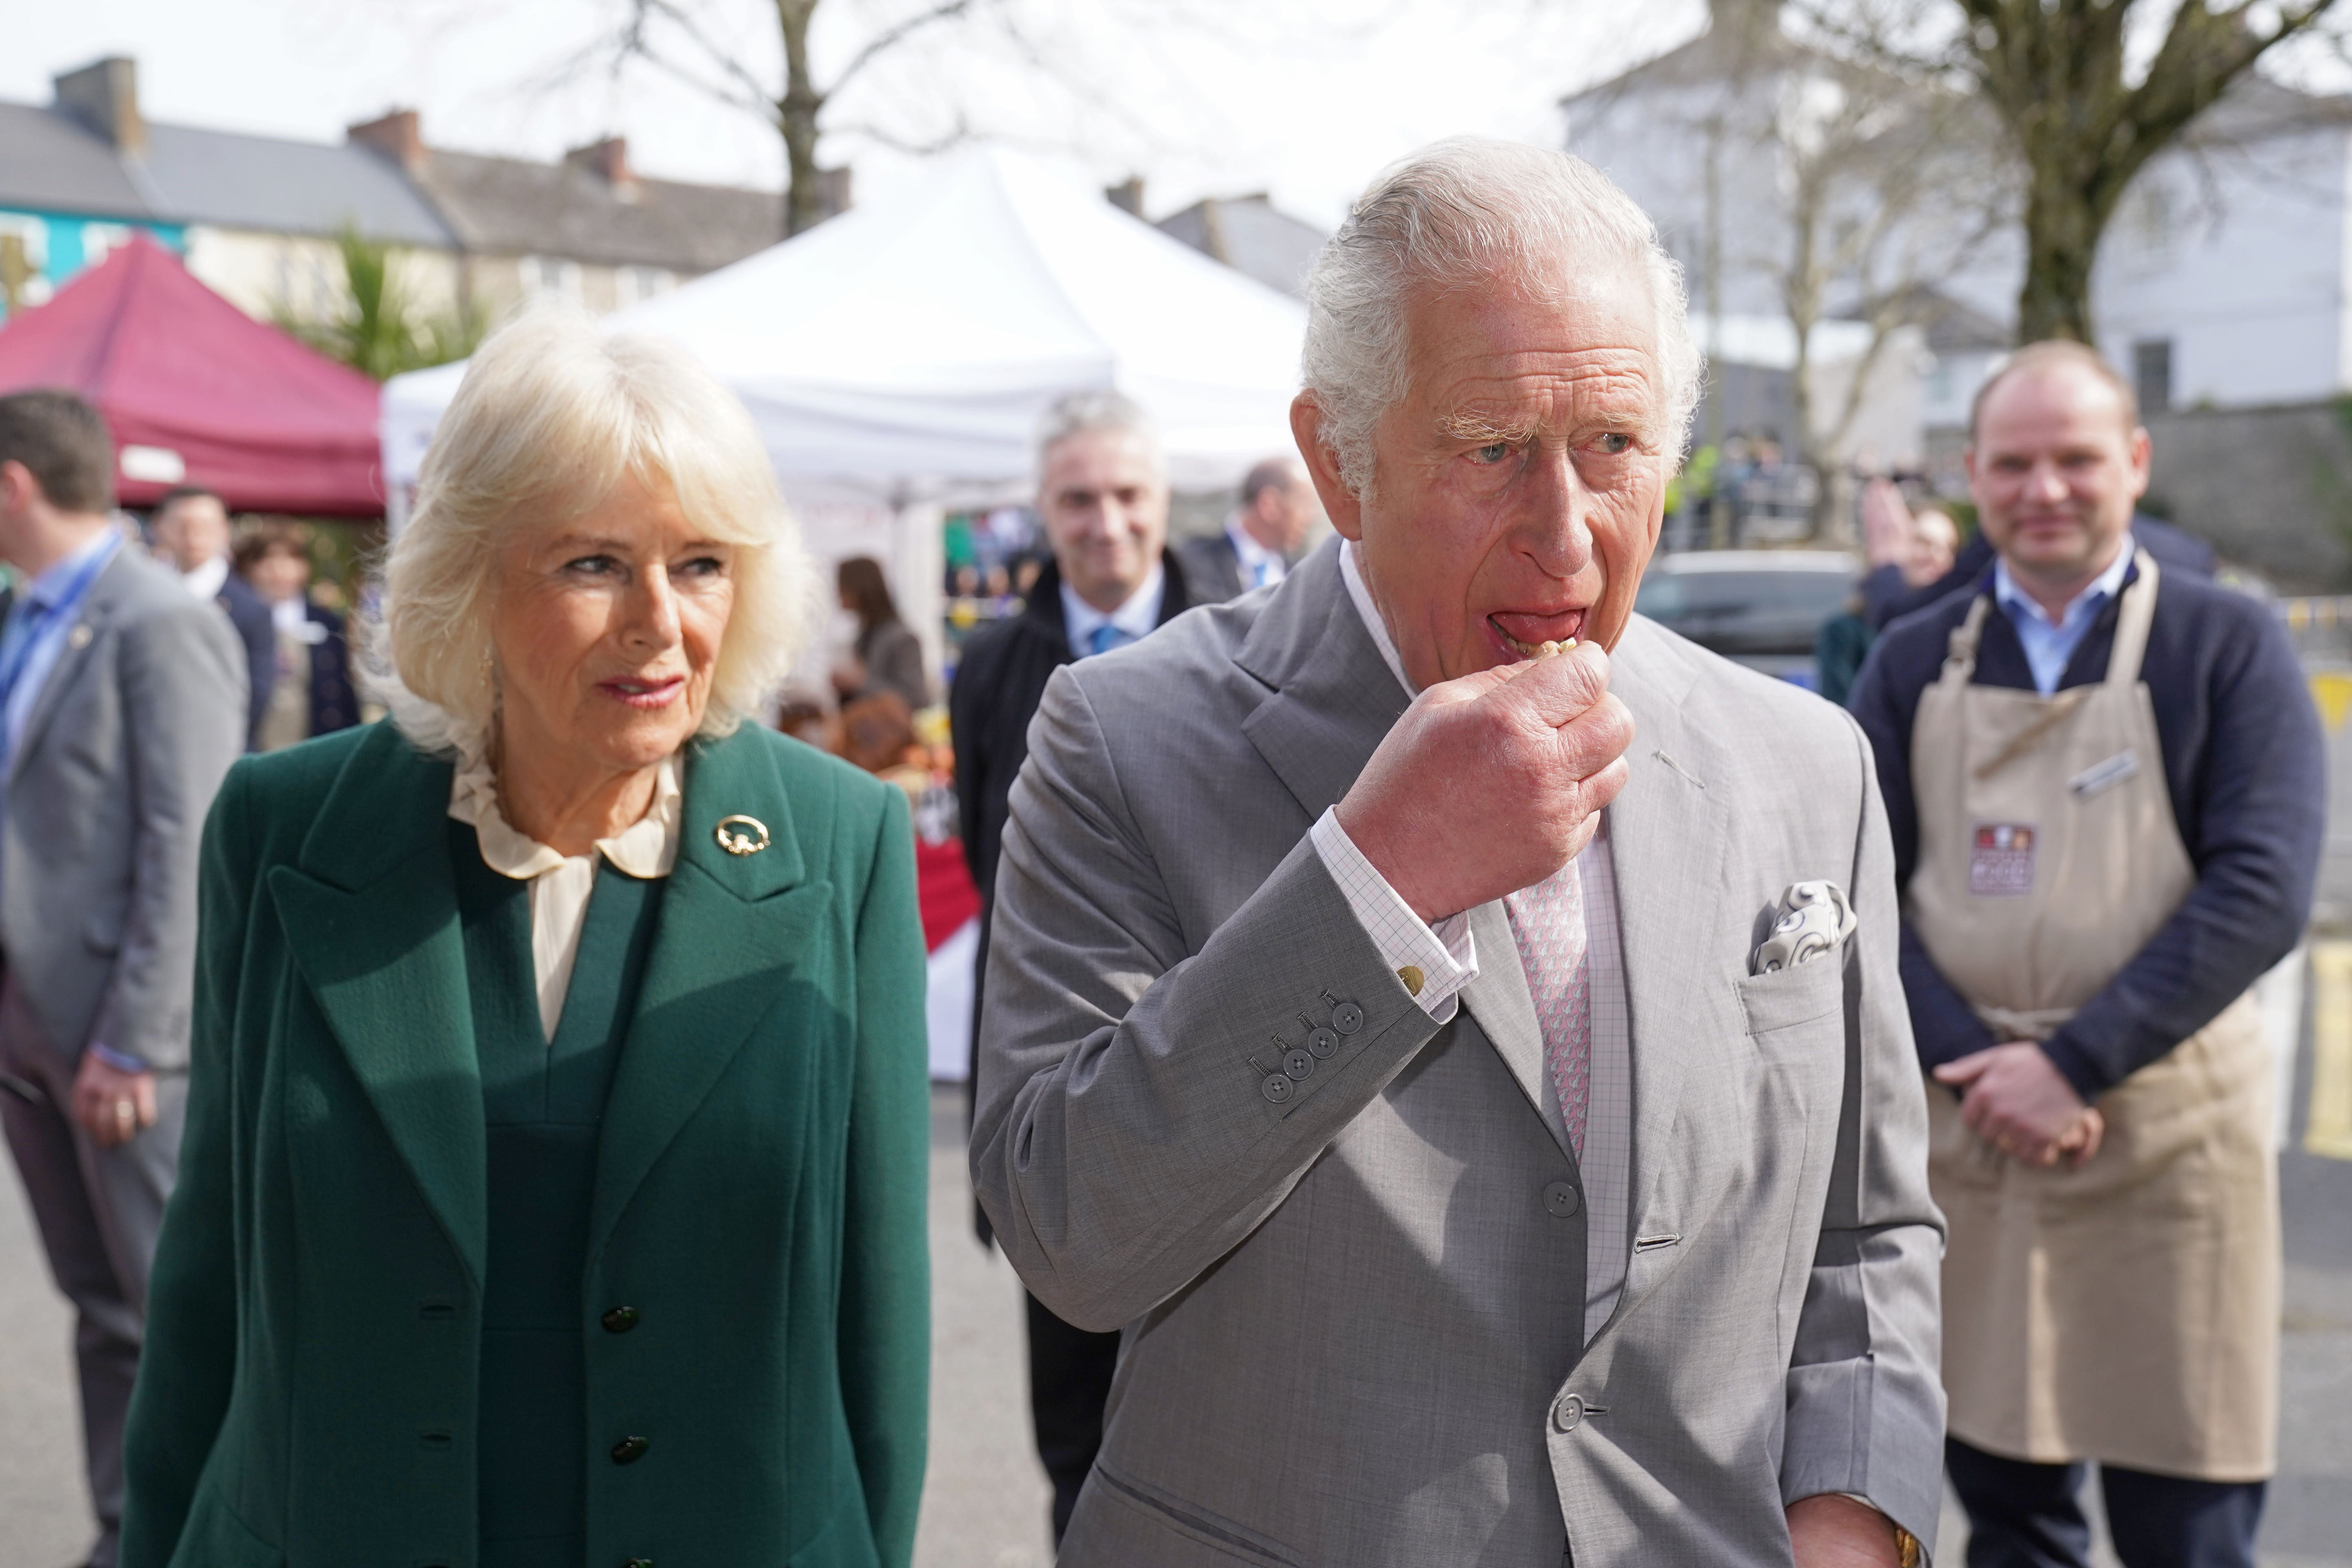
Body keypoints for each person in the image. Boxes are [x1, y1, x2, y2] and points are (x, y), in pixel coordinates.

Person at [971, 138, 1942, 1566]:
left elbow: (1865, 1231)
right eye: (1491, 449)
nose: (1564, 537)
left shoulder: (1804, 763)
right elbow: (1071, 1230)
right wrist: (1377, 879)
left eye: (1613, 445)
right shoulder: (1123, 735)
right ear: (1336, 463)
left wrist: (1849, 1517)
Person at [118, 314, 932, 1568]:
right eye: (594, 563)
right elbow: (209, 1284)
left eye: (702, 562)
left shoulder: (842, 842)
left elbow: (877, 1323)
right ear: (468, 575)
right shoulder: (280, 831)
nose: (660, 622)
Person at [1849, 340, 2323, 1568]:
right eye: (2012, 463)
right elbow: (1855, 891)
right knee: (2005, 1511)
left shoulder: (2225, 644)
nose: (2042, 488)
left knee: (2188, 1513)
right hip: (1970, 1141)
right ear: (1970, 475)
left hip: (2163, 1135)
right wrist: (1969, 1057)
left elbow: (2261, 889)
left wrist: (2073, 1061)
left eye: (2074, 459)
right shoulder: (1913, 655)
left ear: (2135, 462)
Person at [947, 388, 1198, 1543]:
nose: (1106, 523)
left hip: (1223, 1091)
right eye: (1078, 498)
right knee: (1078, 1447)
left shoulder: (1252, 637)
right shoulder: (992, 670)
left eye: (1127, 494)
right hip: (1062, 1099)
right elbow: (1003, 893)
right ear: (1043, 514)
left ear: (1162, 504)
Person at [0, 391, 246, 1568]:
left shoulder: (153, 621)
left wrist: (136, 1038)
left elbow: (189, 838)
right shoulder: (25, 616)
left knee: (171, 1311)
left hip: (118, 1038)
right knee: (102, 1308)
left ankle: (203, 1533)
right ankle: (129, 1528)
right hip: (32, 1024)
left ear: (14, 484)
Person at [148, 486, 274, 749]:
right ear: (160, 527)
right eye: (182, 525)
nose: (193, 536)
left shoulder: (251, 609)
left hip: (225, 750)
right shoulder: (145, 596)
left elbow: (256, 696)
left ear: (224, 531)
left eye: (204, 526)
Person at [232, 519, 361, 750]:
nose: (279, 570)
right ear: (250, 567)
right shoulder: (237, 619)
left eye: (291, 559)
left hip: (316, 743)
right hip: (256, 745)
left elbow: (343, 691)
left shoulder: (327, 621)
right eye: (268, 560)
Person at [1176, 454, 1319, 600]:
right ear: (1270, 505)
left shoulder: (1300, 573)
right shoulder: (1191, 566)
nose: (1311, 518)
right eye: (1304, 504)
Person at [835, 555, 931, 711]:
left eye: (842, 586)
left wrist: (860, 682)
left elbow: (917, 698)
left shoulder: (902, 639)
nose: (838, 594)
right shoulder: (865, 636)